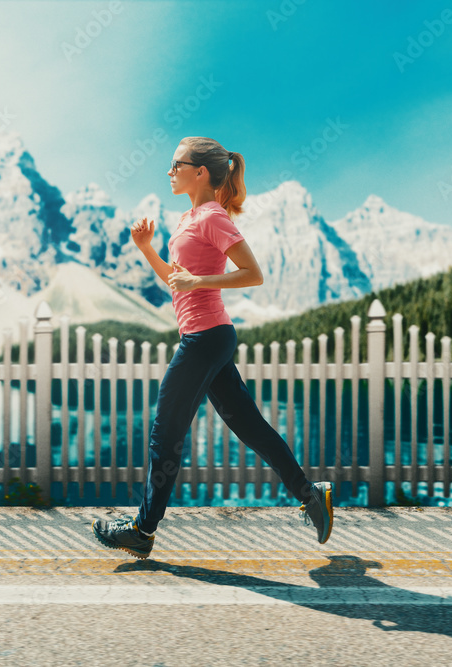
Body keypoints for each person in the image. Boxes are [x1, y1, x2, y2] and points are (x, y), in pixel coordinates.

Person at [91, 136, 334, 559]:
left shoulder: (212, 217)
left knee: (164, 433)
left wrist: (199, 281)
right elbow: (177, 280)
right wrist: (147, 249)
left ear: (200, 171)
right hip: (206, 336)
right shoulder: (190, 218)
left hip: (206, 338)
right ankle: (310, 495)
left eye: (176, 165)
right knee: (250, 425)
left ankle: (142, 530)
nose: (169, 173)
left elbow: (252, 273)